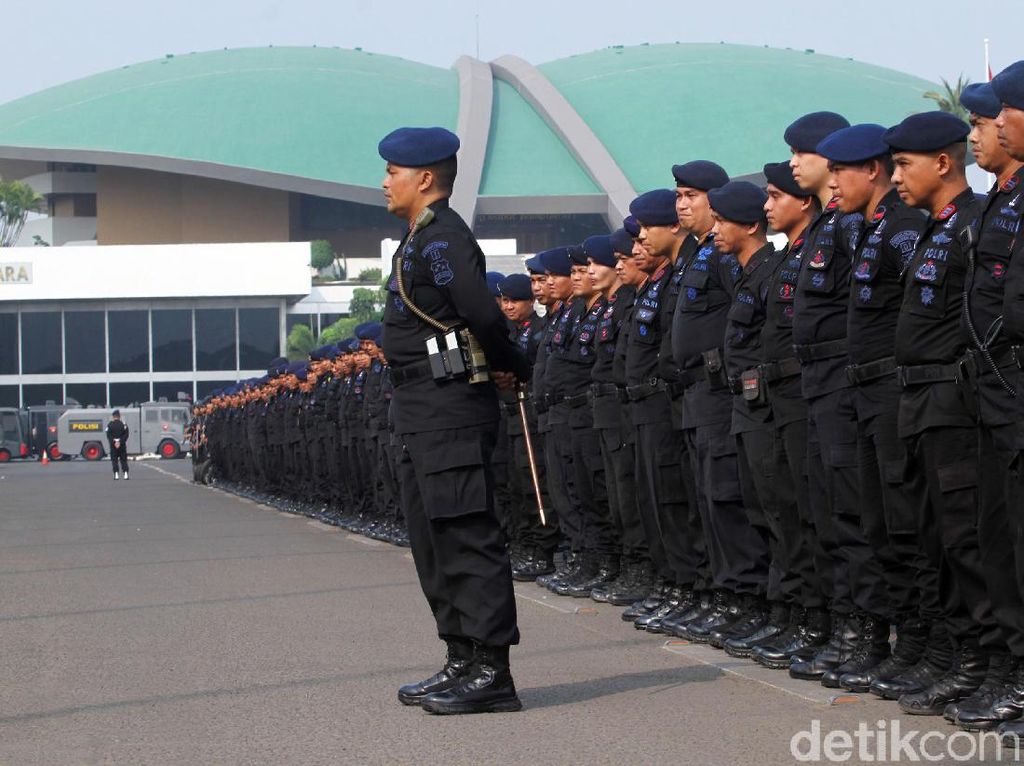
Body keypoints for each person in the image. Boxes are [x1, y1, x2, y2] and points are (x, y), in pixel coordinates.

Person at [378, 126, 530, 715]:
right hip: (421, 407)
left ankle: (492, 670)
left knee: (466, 534)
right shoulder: (418, 238)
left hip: (450, 408)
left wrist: (513, 364)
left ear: (424, 179)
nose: (384, 182)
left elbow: (482, 315)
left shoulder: (443, 238)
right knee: (433, 541)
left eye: (392, 172)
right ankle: (461, 656)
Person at [106, 410, 130, 480]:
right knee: (123, 460)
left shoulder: (110, 425)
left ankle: (116, 474)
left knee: (114, 460)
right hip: (122, 445)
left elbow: (108, 435)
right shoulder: (124, 424)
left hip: (113, 446)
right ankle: (125, 474)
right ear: (119, 416)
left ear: (113, 417)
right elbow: (126, 435)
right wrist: (120, 442)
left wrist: (114, 442)